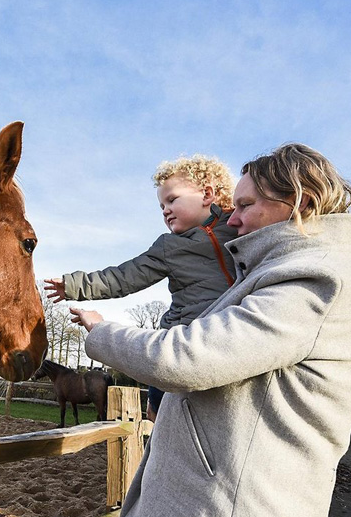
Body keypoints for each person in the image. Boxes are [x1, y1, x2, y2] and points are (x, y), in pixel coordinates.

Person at [69, 143, 351, 517]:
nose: (232, 218)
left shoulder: (310, 280)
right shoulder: (273, 273)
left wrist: (104, 331)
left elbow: (186, 358)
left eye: (247, 204)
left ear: (296, 201)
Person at [44, 155, 236, 420]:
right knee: (158, 417)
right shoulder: (170, 247)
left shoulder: (240, 227)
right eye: (161, 206)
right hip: (183, 337)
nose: (165, 210)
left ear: (207, 194)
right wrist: (76, 286)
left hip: (234, 333)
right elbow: (125, 276)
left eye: (172, 200)